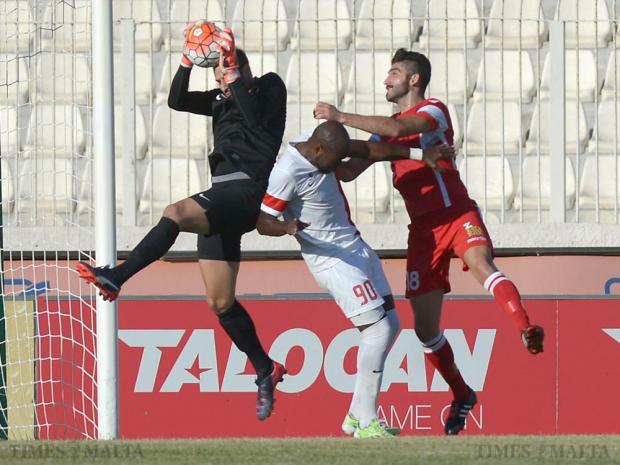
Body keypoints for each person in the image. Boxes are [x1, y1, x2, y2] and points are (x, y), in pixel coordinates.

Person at [313, 49, 545, 435]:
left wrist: (339, 117)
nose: (387, 80)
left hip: (456, 214)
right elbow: (352, 170)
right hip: (422, 232)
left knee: (483, 264)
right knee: (424, 330)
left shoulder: (433, 110)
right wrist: (321, 153)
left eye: (394, 72)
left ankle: (525, 326)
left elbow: (396, 132)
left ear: (414, 79)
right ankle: (462, 394)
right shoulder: (381, 128)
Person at [76, 26, 288, 421]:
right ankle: (265, 368)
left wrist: (231, 71)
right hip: (223, 198)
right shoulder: (220, 99)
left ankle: (119, 275)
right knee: (220, 302)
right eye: (223, 65)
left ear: (245, 66)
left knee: (175, 212)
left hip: (246, 193)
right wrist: (187, 60)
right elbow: (175, 100)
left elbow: (255, 115)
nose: (228, 70)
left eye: (235, 63)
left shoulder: (268, 89)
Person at [256, 120, 454, 437]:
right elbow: (263, 220)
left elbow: (367, 149)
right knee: (376, 329)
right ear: (319, 149)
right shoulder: (287, 172)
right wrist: (287, 228)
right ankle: (365, 421)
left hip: (356, 247)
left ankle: (354, 416)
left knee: (389, 324)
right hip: (331, 259)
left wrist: (419, 155)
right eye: (334, 161)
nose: (339, 167)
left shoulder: (320, 140)